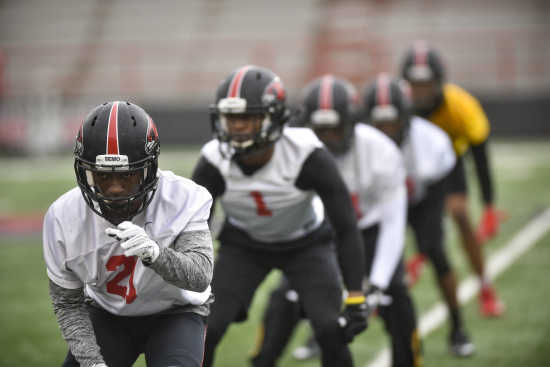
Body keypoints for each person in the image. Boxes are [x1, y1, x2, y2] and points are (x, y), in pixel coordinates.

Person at [191, 66, 368, 367]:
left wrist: (355, 295)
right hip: (244, 245)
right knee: (206, 326)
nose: (237, 128)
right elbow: (194, 227)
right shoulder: (213, 159)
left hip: (307, 244)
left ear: (273, 117)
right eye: (231, 118)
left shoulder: (308, 155)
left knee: (330, 328)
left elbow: (346, 227)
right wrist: (189, 286)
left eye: (247, 118)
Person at [251, 75, 422, 367]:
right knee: (285, 300)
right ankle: (262, 360)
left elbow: (394, 224)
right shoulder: (290, 151)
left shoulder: (381, 152)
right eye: (320, 129)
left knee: (398, 301)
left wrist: (377, 285)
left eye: (334, 128)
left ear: (352, 122)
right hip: (317, 236)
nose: (327, 137)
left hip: (370, 232)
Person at [43, 101, 214, 367]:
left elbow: (200, 277)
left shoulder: (184, 197)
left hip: (176, 312)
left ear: (149, 171)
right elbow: (67, 303)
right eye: (102, 176)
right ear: (84, 171)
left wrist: (155, 254)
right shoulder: (63, 217)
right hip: (107, 313)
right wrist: (92, 362)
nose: (113, 189)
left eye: (127, 176)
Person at [365, 73, 475, 356]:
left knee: (435, 250)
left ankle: (458, 327)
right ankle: (324, 332)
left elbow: (441, 183)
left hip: (420, 201)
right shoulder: (359, 143)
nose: (385, 130)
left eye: (391, 121)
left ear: (405, 116)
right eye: (378, 122)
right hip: (379, 204)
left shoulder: (430, 141)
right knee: (364, 261)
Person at [400, 41, 505, 317]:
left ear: (439, 82)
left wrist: (489, 206)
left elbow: (480, 156)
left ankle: (485, 286)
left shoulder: (461, 105)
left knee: (459, 214)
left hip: (449, 164)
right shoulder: (399, 106)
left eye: (426, 83)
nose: (420, 91)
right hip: (408, 167)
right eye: (415, 84)